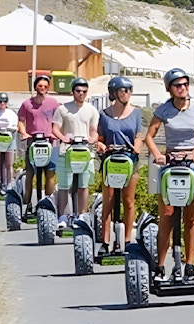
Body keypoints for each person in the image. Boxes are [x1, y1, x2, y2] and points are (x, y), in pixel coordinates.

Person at [144, 68, 194, 277]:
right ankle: (160, 265)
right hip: (171, 164)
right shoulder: (163, 110)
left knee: (191, 218)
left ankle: (190, 263)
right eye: (178, 85)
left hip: (193, 165)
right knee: (167, 216)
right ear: (170, 89)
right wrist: (158, 155)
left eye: (185, 84)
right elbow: (149, 136)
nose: (183, 88)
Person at [96, 76, 144, 253]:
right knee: (108, 200)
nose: (128, 93)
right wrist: (100, 145)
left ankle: (127, 240)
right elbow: (100, 138)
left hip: (130, 161)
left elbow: (139, 135)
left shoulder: (136, 113)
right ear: (114, 92)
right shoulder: (104, 114)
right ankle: (106, 241)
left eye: (130, 90)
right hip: (111, 160)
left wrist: (136, 149)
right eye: (124, 90)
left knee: (128, 200)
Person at [51, 77, 99, 230]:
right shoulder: (62, 109)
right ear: (72, 92)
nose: (81, 94)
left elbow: (93, 132)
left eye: (84, 91)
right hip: (66, 151)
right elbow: (55, 128)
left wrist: (92, 139)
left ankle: (82, 215)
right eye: (78, 91)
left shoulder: (91, 110)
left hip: (84, 152)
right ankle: (63, 216)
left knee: (83, 186)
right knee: (64, 185)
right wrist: (64, 138)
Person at [17, 75, 60, 214]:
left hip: (50, 142)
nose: (43, 88)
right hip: (33, 142)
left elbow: (59, 122)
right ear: (36, 87)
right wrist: (24, 133)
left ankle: (48, 203)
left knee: (50, 174)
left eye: (45, 86)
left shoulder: (54, 103)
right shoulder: (26, 104)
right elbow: (21, 121)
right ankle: (27, 204)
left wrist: (57, 134)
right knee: (30, 174)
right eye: (40, 86)